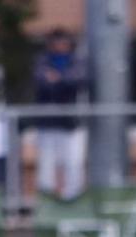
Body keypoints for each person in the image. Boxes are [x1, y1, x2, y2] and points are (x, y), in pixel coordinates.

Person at [32, 28, 87, 200]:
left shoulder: (77, 61)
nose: (60, 46)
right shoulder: (43, 61)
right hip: (47, 122)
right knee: (46, 162)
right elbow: (42, 81)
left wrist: (59, 78)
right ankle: (46, 197)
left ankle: (73, 196)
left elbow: (77, 80)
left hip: (70, 123)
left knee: (73, 162)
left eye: (63, 43)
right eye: (56, 43)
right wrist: (61, 80)